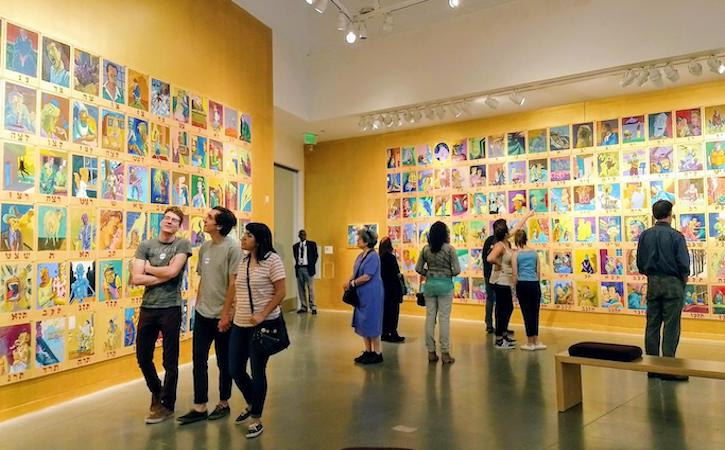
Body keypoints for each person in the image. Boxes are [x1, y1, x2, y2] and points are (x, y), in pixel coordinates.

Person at [219, 222, 286, 439]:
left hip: (263, 325)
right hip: (240, 323)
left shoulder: (273, 260)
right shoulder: (244, 259)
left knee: (258, 370)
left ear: (259, 239)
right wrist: (226, 314)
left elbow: (280, 292)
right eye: (244, 234)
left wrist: (262, 314)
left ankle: (256, 418)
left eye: (248, 235)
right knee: (234, 368)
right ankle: (251, 401)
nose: (243, 238)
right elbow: (234, 287)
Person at [177, 207, 243, 425]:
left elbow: (233, 284)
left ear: (220, 225)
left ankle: (224, 402)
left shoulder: (233, 249)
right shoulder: (205, 247)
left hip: (222, 315)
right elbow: (203, 279)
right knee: (198, 360)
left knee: (224, 362)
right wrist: (197, 305)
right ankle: (200, 405)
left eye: (209, 218)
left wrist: (226, 314)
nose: (204, 220)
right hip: (203, 313)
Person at [129, 206, 192, 424]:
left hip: (170, 307)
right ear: (161, 221)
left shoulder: (182, 244)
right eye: (167, 218)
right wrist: (164, 274)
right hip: (149, 307)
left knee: (170, 360)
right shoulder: (146, 245)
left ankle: (167, 404)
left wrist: (150, 268)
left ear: (179, 225)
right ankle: (157, 390)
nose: (169, 222)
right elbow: (136, 278)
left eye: (175, 220)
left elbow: (174, 272)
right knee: (142, 356)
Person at [636, 200, 690, 381]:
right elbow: (683, 263)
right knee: (671, 326)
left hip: (653, 283)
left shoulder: (645, 235)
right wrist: (683, 277)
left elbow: (640, 264)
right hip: (673, 284)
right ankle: (668, 369)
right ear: (670, 214)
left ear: (654, 215)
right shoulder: (676, 236)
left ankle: (652, 367)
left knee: (652, 325)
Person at [487, 211, 534, 349]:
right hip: (500, 281)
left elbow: (517, 227)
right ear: (504, 230)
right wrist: (500, 265)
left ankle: (504, 336)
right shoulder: (499, 245)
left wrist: (527, 215)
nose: (509, 229)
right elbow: (490, 258)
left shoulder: (505, 241)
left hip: (505, 281)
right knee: (504, 309)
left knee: (506, 308)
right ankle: (500, 339)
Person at [415, 221, 460, 364]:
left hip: (430, 286)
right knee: (444, 319)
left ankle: (431, 352)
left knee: (430, 318)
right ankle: (445, 353)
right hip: (445, 286)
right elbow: (457, 270)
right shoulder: (450, 250)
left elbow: (418, 268)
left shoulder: (426, 249)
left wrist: (428, 273)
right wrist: (448, 273)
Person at [344, 228, 384, 364]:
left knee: (372, 321)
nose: (357, 240)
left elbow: (367, 276)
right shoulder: (360, 256)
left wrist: (353, 283)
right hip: (362, 294)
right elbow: (355, 272)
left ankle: (377, 353)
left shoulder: (373, 256)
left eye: (359, 238)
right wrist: (348, 282)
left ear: (366, 242)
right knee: (363, 322)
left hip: (372, 294)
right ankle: (368, 351)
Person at [511, 230, 546, 351]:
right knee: (535, 313)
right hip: (534, 284)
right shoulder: (534, 253)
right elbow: (538, 272)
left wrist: (514, 288)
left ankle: (530, 342)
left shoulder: (516, 254)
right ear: (526, 239)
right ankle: (536, 340)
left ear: (516, 240)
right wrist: (537, 284)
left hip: (522, 285)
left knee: (526, 313)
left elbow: (515, 273)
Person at [379, 237, 405, 343]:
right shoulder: (391, 257)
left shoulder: (379, 258)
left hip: (382, 288)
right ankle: (393, 333)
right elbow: (396, 273)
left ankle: (384, 333)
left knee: (384, 311)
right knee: (394, 311)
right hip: (393, 288)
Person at [293, 229, 318, 314]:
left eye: (304, 234)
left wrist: (310, 264)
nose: (303, 236)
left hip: (308, 268)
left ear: (306, 235)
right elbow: (295, 257)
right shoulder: (295, 246)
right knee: (300, 288)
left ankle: (313, 306)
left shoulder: (312, 244)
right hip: (299, 268)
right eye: (301, 234)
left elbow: (315, 256)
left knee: (311, 288)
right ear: (299, 236)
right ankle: (304, 306)